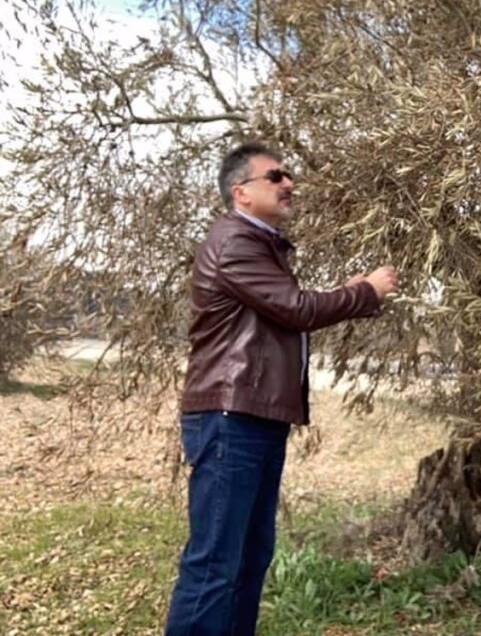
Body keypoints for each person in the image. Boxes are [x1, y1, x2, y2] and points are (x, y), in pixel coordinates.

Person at [164, 142, 398, 635]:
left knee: (248, 558)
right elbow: (298, 309)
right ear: (241, 192)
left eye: (288, 175)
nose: (289, 183)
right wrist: (367, 292)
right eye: (275, 176)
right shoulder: (236, 243)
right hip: (230, 419)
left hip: (253, 418)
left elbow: (289, 308)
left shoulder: (258, 246)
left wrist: (349, 292)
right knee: (215, 564)